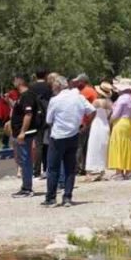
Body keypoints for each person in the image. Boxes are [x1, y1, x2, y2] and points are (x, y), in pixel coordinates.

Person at [43, 74, 94, 207]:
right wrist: (86, 125)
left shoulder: (55, 100)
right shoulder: (79, 97)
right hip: (74, 134)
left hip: (58, 136)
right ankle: (67, 197)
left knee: (53, 168)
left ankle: (51, 198)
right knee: (70, 168)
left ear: (57, 86)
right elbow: (92, 111)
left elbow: (48, 120)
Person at [9, 75, 41, 197]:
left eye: (14, 80)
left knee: (25, 159)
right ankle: (25, 186)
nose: (13, 82)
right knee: (24, 159)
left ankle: (27, 188)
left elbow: (28, 114)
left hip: (25, 133)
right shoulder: (22, 96)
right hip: (21, 132)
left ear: (20, 81)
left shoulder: (27, 96)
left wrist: (22, 132)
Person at [108, 80, 131, 179]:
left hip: (120, 122)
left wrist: (110, 120)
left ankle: (119, 172)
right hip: (130, 122)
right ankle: (128, 171)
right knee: (128, 145)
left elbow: (116, 114)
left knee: (118, 145)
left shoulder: (122, 98)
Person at [84, 82, 114, 181]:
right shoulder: (110, 103)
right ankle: (102, 170)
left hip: (96, 125)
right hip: (105, 125)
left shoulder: (96, 102)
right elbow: (110, 116)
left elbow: (90, 113)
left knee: (93, 147)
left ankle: (89, 171)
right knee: (103, 148)